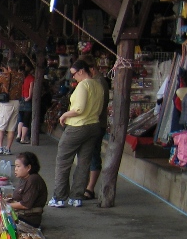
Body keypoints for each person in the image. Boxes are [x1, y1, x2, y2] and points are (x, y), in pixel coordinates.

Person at [50, 60, 104, 208]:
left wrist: (64, 115)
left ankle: (59, 197)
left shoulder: (83, 86)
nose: (73, 77)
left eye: (74, 74)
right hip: (93, 125)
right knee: (84, 162)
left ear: (81, 71)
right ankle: (76, 197)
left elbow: (79, 109)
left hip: (77, 126)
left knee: (63, 160)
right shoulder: (98, 85)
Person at [84, 70, 111, 200]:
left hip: (95, 123)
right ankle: (87, 186)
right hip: (93, 122)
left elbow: (98, 106)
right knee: (89, 155)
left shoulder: (98, 82)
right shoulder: (96, 82)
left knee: (94, 154)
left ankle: (90, 188)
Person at [0, 61, 24, 156]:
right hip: (16, 102)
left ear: (9, 67)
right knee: (11, 127)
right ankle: (8, 148)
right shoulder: (21, 76)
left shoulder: (6, 76)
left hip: (6, 103)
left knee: (0, 126)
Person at [10, 152, 48, 227]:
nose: (15, 169)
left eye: (18, 166)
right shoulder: (24, 178)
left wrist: (6, 205)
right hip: (20, 215)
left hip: (28, 219)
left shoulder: (33, 180)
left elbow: (25, 205)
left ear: (28, 167)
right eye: (15, 166)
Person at [17, 62, 35, 144]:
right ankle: (23, 138)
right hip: (27, 99)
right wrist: (29, 97)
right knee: (26, 120)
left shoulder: (22, 79)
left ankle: (18, 135)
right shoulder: (31, 78)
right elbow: (31, 89)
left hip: (21, 98)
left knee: (20, 119)